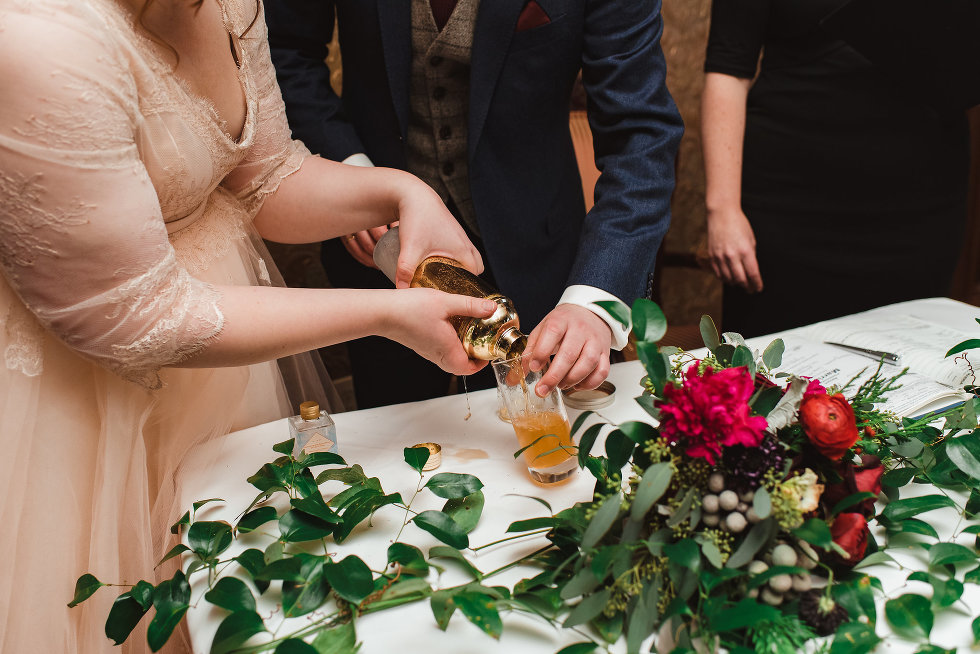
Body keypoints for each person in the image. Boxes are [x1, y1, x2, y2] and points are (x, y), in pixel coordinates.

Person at [0, 0, 500, 651]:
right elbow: (140, 315)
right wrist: (388, 314)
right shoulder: (39, 41)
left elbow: (263, 176)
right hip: (89, 402)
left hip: (232, 359)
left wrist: (405, 194)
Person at [264, 0, 684, 408]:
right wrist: (351, 179)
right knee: (400, 455)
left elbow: (640, 135)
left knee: (554, 450)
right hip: (381, 258)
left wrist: (595, 299)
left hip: (541, 258)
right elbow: (285, 52)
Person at [702, 0, 970, 338]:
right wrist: (722, 209)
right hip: (787, 208)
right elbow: (728, 68)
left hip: (919, 210)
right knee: (775, 377)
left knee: (911, 365)